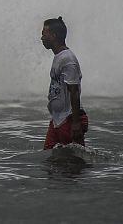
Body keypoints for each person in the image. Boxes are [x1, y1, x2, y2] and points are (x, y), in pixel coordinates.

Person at [40, 16, 87, 149]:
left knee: (73, 163)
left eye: (44, 34)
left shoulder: (68, 59)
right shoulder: (59, 57)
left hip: (70, 119)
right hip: (58, 119)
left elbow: (74, 91)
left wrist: (76, 123)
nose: (42, 38)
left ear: (54, 36)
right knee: (50, 158)